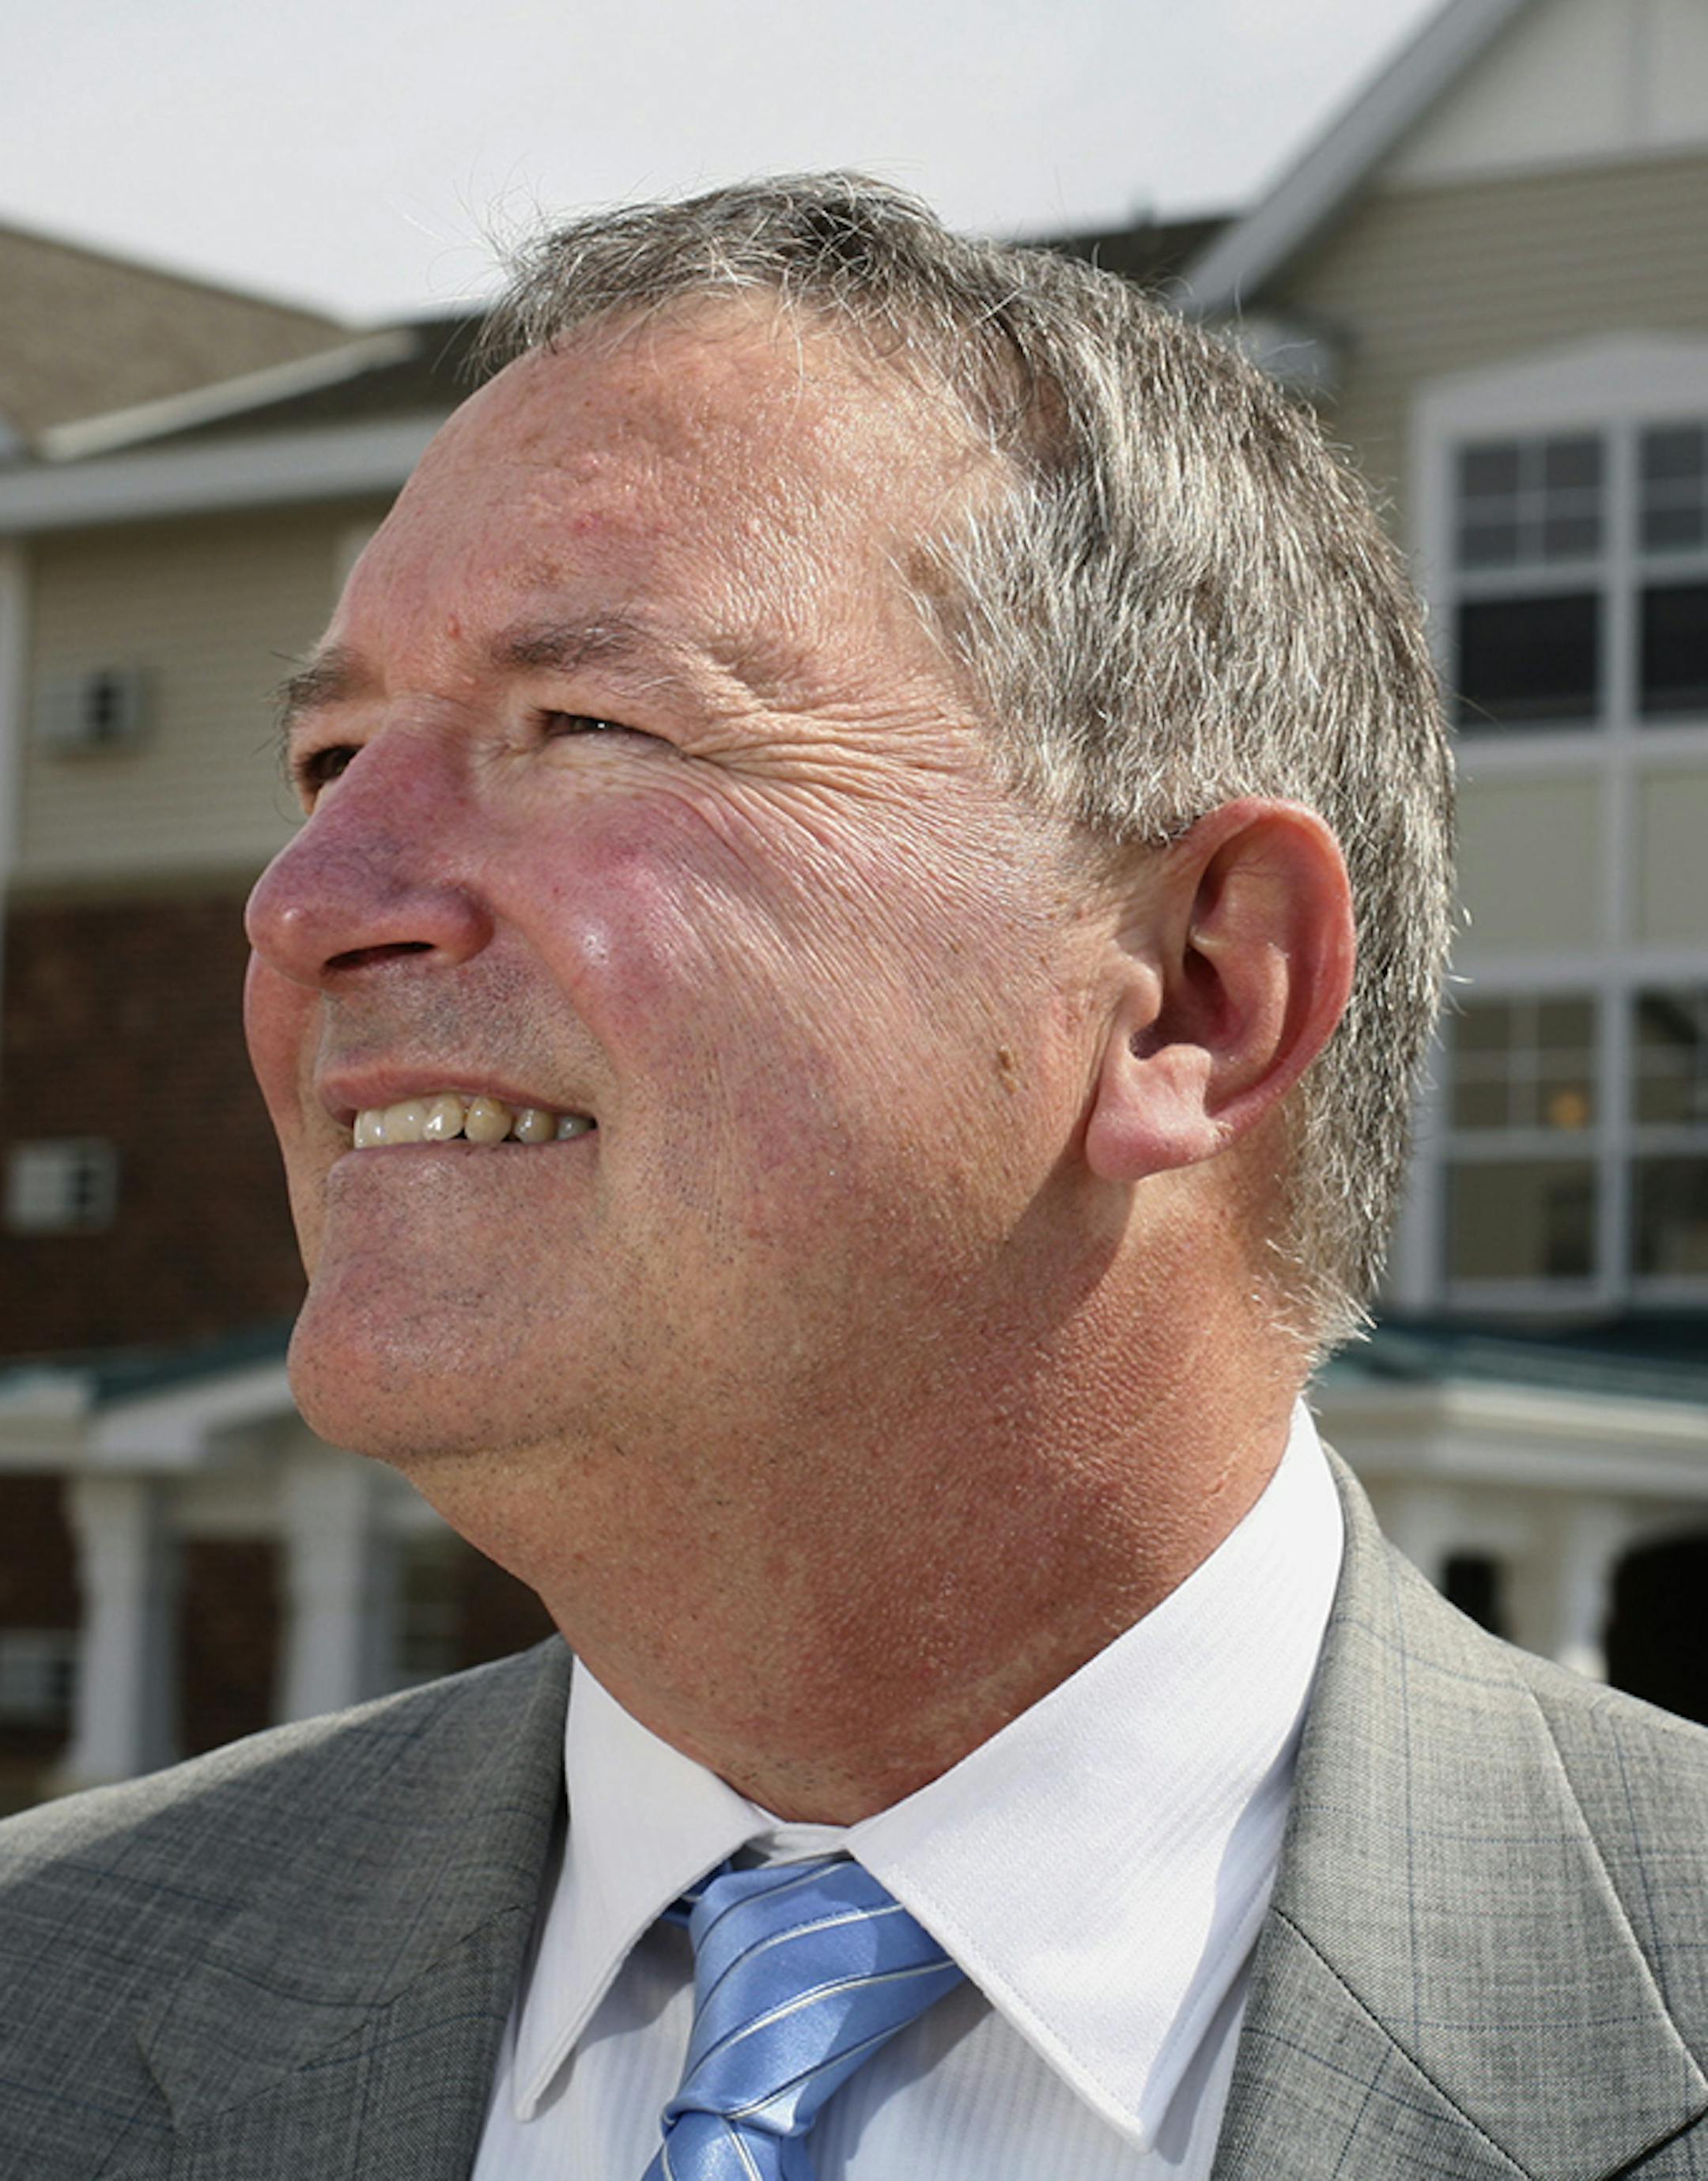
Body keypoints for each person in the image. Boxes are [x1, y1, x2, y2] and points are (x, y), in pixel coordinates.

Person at [4, 173, 1707, 2181]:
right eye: (327, 761)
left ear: (1196, 989)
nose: (306, 903)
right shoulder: (44, 1994)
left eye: (587, 722)